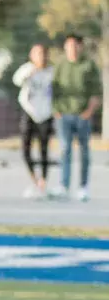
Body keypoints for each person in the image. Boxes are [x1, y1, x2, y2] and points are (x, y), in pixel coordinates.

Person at [50, 33, 100, 202]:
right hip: (64, 115)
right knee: (65, 151)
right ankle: (64, 186)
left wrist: (89, 111)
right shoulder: (60, 65)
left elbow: (96, 91)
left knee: (84, 151)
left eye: (74, 45)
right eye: (68, 45)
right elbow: (53, 89)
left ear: (80, 46)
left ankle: (83, 187)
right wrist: (56, 110)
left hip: (82, 115)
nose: (71, 48)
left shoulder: (89, 65)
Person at [12, 43, 55, 199]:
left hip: (46, 114)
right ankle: (34, 180)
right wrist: (29, 73)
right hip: (29, 112)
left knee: (44, 150)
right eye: (37, 54)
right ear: (32, 56)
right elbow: (16, 80)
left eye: (43, 53)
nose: (41, 57)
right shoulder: (27, 69)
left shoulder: (52, 72)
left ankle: (43, 182)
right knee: (25, 149)